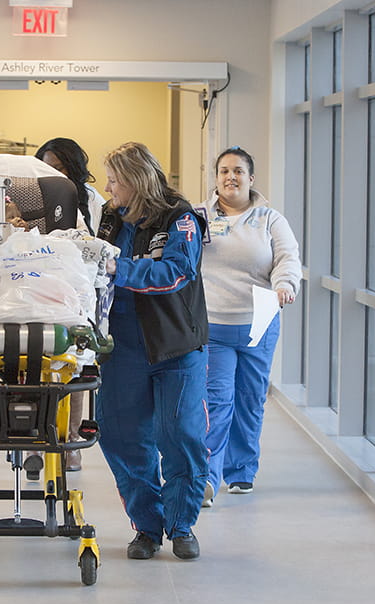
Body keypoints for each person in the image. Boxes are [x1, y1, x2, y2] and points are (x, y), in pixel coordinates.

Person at [94, 142, 209, 561]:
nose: (108, 189)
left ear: (136, 182)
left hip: (175, 344)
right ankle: (146, 526)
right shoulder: (110, 217)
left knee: (179, 434)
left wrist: (117, 268)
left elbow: (175, 273)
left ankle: (181, 525)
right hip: (122, 345)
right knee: (123, 435)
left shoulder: (180, 217)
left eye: (114, 181)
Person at [198, 146, 301, 506]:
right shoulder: (200, 217)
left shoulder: (270, 219)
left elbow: (288, 257)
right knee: (217, 399)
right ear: (216, 178)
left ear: (250, 178)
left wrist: (286, 284)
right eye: (224, 171)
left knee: (250, 398)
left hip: (259, 319)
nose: (231, 177)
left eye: (238, 171)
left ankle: (241, 473)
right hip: (213, 323)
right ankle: (208, 477)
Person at [34, 138, 107, 471]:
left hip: (78, 290)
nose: (51, 173)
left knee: (75, 363)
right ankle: (35, 438)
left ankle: (71, 440)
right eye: (46, 165)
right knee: (35, 360)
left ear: (73, 169)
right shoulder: (29, 195)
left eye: (59, 167)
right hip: (36, 287)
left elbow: (99, 244)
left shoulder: (91, 200)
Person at [35, 137, 105, 234]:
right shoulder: (34, 196)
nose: (51, 174)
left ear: (72, 169)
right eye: (46, 169)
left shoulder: (91, 197)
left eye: (58, 169)